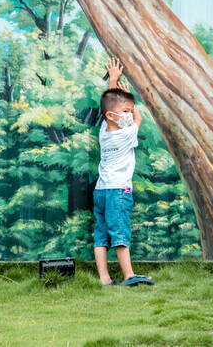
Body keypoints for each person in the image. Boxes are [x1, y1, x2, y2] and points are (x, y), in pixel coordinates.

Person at [93, 57, 155, 287]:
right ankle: (129, 276)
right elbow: (138, 118)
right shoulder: (126, 134)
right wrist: (132, 102)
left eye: (129, 110)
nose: (129, 114)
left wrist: (114, 81)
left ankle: (104, 278)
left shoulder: (104, 132)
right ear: (113, 115)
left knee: (101, 235)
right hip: (118, 191)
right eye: (125, 111)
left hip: (101, 191)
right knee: (120, 233)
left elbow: (109, 107)